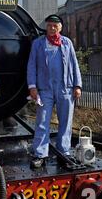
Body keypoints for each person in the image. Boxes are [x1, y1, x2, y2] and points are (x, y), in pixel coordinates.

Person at [27, 14, 82, 168]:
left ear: (60, 27)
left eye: (55, 26)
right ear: (46, 27)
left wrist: (77, 85)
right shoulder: (38, 44)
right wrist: (32, 86)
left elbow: (74, 63)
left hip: (66, 88)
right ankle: (40, 154)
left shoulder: (67, 43)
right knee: (43, 121)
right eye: (49, 25)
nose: (52, 28)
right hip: (45, 88)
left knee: (65, 121)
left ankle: (64, 152)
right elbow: (31, 65)